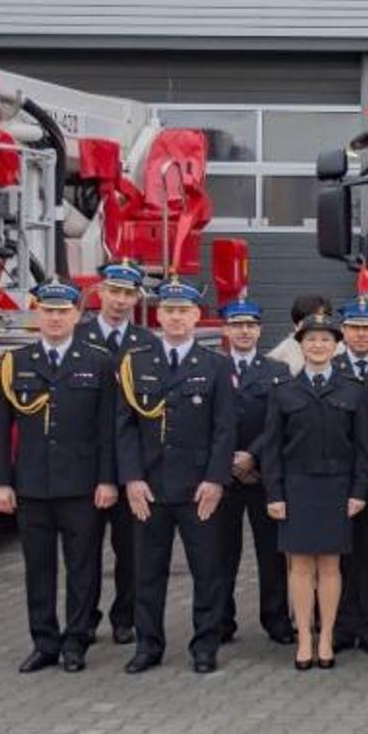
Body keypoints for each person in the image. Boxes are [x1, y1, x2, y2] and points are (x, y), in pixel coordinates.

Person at [0, 281, 118, 673]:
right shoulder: (16, 362)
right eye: (48, 311)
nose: (56, 318)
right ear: (37, 315)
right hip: (32, 485)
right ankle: (44, 641)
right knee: (38, 568)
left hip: (82, 486)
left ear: (77, 316)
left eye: (63, 311)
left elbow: (107, 430)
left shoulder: (97, 361)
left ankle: (76, 640)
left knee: (83, 568)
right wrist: (1, 482)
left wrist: (107, 480)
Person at [116, 280, 238, 674]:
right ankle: (148, 645)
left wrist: (216, 480)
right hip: (149, 488)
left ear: (196, 316)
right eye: (169, 311)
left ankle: (205, 645)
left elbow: (225, 428)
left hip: (197, 488)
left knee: (208, 571)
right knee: (147, 573)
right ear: (158, 315)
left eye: (184, 311)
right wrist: (132, 479)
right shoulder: (135, 364)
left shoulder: (216, 365)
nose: (176, 318)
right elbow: (126, 427)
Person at [259, 313, 368, 670]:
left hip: (338, 488)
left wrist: (359, 491)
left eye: (325, 340)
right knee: (299, 567)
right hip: (296, 488)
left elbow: (364, 449)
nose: (318, 345)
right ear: (300, 344)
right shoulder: (283, 391)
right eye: (311, 340)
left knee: (330, 565)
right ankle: (304, 638)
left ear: (337, 345)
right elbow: (272, 449)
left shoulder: (353, 389)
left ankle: (327, 638)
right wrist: (274, 495)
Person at [76, 263, 155, 646]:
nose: (120, 301)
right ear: (100, 292)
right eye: (114, 291)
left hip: (131, 465)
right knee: (84, 551)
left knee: (132, 551)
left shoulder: (146, 343)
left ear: (137, 297)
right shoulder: (77, 337)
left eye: (128, 294)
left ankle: (125, 617)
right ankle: (84, 619)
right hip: (86, 465)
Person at [215, 297, 294, 647]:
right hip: (223, 476)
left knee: (271, 554)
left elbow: (279, 423)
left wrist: (252, 456)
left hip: (263, 475)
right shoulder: (213, 368)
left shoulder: (276, 371)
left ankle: (275, 619)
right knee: (220, 554)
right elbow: (209, 423)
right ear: (226, 330)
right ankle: (220, 620)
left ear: (260, 330)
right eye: (237, 325)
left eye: (250, 325)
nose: (244, 331)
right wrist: (230, 461)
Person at [332, 298, 368, 654]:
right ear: (344, 332)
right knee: (341, 557)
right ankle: (342, 626)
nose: (361, 335)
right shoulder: (330, 367)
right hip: (342, 480)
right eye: (354, 328)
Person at [266, 293, 331, 374]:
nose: (316, 324)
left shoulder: (340, 351)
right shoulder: (278, 358)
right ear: (296, 326)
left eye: (321, 318)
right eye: (310, 320)